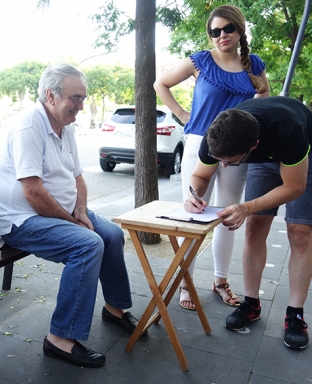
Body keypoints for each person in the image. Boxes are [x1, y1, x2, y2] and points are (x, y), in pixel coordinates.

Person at [0, 63, 141, 368]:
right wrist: (75, 223)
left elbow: (78, 179)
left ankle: (114, 308)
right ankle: (60, 338)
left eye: (83, 98)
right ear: (51, 95)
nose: (81, 106)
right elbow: (32, 193)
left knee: (111, 234)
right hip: (22, 220)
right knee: (88, 244)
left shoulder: (65, 126)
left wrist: (81, 211)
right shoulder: (29, 127)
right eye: (75, 98)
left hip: (60, 212)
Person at [154, 4, 269, 310]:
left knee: (228, 216)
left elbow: (264, 100)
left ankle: (220, 280)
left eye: (227, 29)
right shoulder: (200, 61)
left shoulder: (253, 65)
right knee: (193, 213)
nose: (221, 36)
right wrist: (182, 114)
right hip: (198, 144)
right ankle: (185, 283)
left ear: (239, 29)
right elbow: (160, 83)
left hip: (237, 151)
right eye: (214, 31)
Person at [185, 96, 312, 350]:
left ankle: (295, 314)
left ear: (253, 146)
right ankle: (251, 304)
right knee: (254, 227)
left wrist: (245, 206)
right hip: (265, 160)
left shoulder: (289, 130)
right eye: (219, 158)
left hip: (303, 156)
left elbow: (294, 187)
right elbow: (201, 174)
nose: (223, 165)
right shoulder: (217, 134)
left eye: (230, 162)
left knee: (300, 232)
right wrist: (193, 194)